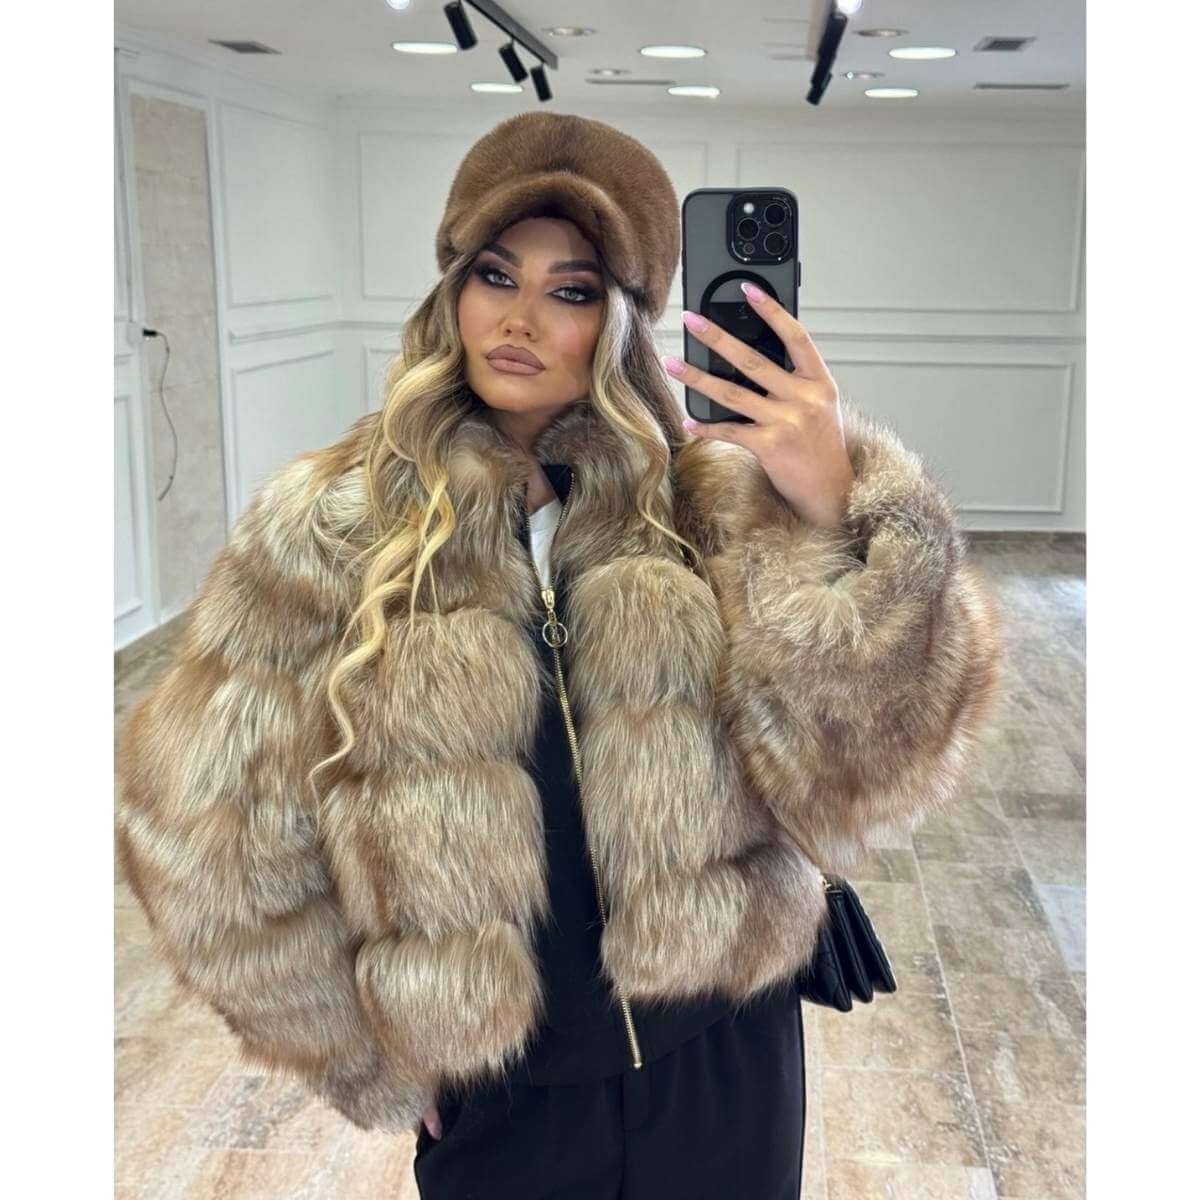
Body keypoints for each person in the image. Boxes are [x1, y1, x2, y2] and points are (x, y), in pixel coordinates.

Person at [115, 112, 1003, 1199]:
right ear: (454, 291)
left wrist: (829, 502)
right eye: (495, 275)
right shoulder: (328, 529)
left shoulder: (705, 506)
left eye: (570, 290)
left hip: (720, 1047)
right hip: (504, 1089)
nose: (519, 318)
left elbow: (877, 763)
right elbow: (206, 835)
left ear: (619, 321)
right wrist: (359, 1053)